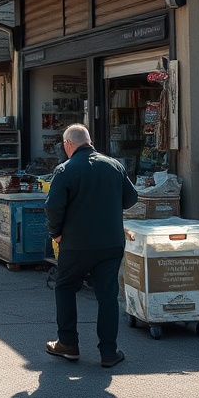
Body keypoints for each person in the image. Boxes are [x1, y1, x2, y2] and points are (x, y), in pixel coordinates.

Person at [44, 123, 138, 369]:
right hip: (110, 243)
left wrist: (56, 233)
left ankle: (68, 344)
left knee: (64, 288)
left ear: (68, 145)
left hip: (76, 244)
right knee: (107, 296)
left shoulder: (64, 170)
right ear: (90, 141)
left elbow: (53, 207)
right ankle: (108, 351)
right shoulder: (115, 165)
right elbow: (131, 199)